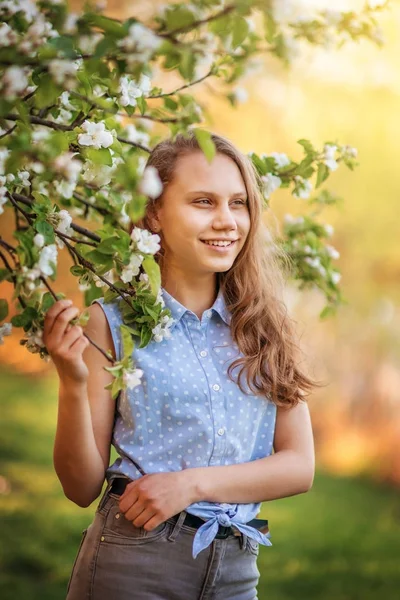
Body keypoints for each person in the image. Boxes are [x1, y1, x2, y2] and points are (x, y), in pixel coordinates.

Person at [43, 131, 317, 600]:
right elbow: (80, 485)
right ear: (154, 211)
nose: (226, 221)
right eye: (203, 202)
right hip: (135, 561)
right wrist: (73, 383)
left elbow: (299, 466)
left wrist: (190, 485)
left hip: (235, 569)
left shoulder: (264, 324)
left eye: (238, 203)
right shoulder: (112, 321)